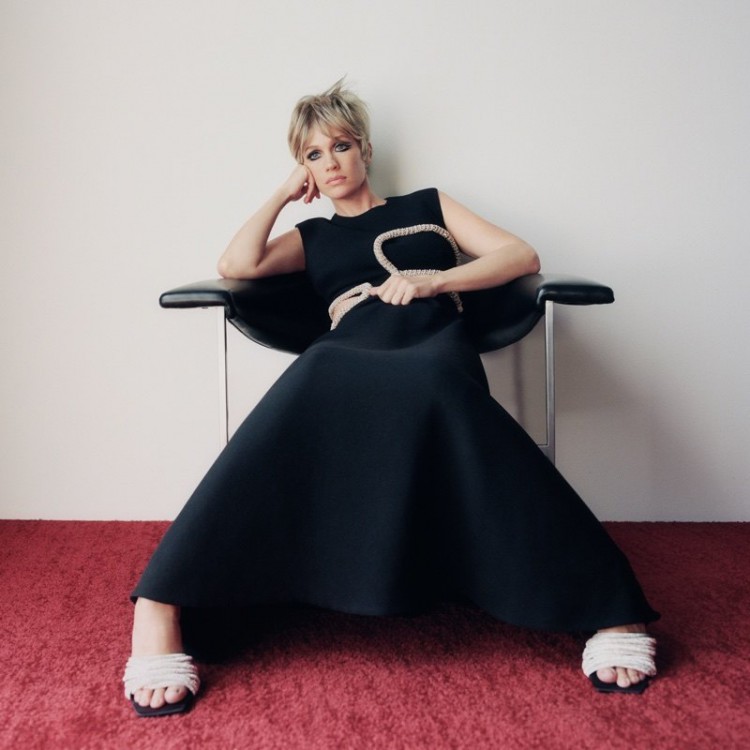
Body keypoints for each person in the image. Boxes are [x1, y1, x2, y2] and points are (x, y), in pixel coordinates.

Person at [123, 80, 659, 716]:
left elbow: (520, 254)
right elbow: (235, 264)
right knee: (313, 377)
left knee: (435, 386)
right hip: (344, 347)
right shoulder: (313, 236)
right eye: (313, 155)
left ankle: (608, 604)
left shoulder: (428, 205)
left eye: (340, 146)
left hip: (431, 341)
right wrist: (282, 194)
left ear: (365, 149)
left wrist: (433, 282)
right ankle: (158, 603)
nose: (331, 163)